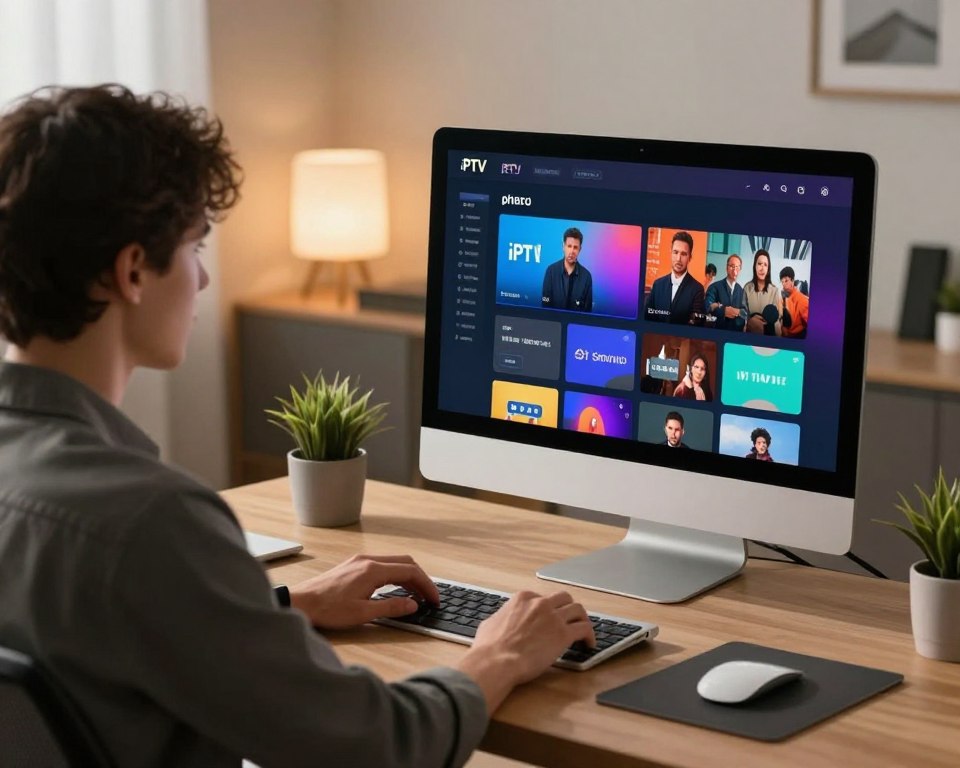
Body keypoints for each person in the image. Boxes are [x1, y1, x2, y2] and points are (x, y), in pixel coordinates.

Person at [0, 84, 595, 767]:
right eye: (195, 248)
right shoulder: (150, 521)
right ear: (133, 270)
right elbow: (377, 748)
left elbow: (103, 634)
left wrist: (281, 606)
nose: (200, 282)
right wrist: (500, 654)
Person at [643, 231, 705, 325]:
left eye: (683, 254)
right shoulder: (657, 285)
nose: (678, 259)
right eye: (675, 252)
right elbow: (647, 317)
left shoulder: (697, 289)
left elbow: (695, 325)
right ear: (671, 253)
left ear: (690, 257)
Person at [541, 226, 593, 312]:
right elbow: (545, 306)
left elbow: (587, 311)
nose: (572, 251)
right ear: (563, 246)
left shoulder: (586, 277)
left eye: (575, 247)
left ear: (580, 249)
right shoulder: (551, 271)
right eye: (569, 246)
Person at [741, 249, 783, 335]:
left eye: (765, 265)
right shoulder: (747, 288)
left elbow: (776, 318)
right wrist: (750, 321)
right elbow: (742, 313)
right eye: (759, 264)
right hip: (751, 333)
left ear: (768, 269)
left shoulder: (774, 290)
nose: (762, 268)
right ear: (755, 266)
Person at [705, 254, 746, 332]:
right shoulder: (715, 287)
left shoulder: (741, 291)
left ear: (740, 269)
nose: (735, 270)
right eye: (732, 266)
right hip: (717, 333)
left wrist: (739, 313)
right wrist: (723, 311)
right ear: (727, 268)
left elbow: (745, 313)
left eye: (737, 267)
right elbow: (707, 306)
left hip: (735, 335)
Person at [779, 266, 809, 339]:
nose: (783, 284)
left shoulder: (801, 299)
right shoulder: (781, 299)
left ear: (792, 280)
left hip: (797, 338)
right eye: (782, 281)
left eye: (786, 281)